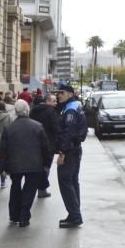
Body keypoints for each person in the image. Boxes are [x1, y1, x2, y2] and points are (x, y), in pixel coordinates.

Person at [0, 101, 51, 227]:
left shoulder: (9, 128)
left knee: (15, 187)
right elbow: (45, 148)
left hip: (15, 164)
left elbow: (3, 150)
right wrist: (46, 163)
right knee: (29, 189)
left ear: (16, 112)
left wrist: (3, 168)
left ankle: (14, 214)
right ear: (27, 111)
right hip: (34, 164)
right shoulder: (38, 126)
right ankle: (24, 216)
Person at [55, 85, 87, 228]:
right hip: (75, 150)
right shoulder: (75, 106)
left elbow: (69, 133)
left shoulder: (70, 110)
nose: (58, 95)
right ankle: (74, 213)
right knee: (73, 182)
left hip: (70, 151)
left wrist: (62, 152)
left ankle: (75, 215)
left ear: (69, 94)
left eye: (61, 93)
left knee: (66, 182)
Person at [30, 94, 59, 198]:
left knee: (37, 167)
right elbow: (56, 128)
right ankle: (42, 189)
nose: (56, 103)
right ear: (48, 101)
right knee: (46, 167)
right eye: (54, 101)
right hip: (48, 145)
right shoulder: (51, 112)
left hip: (35, 144)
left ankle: (37, 188)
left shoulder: (34, 110)